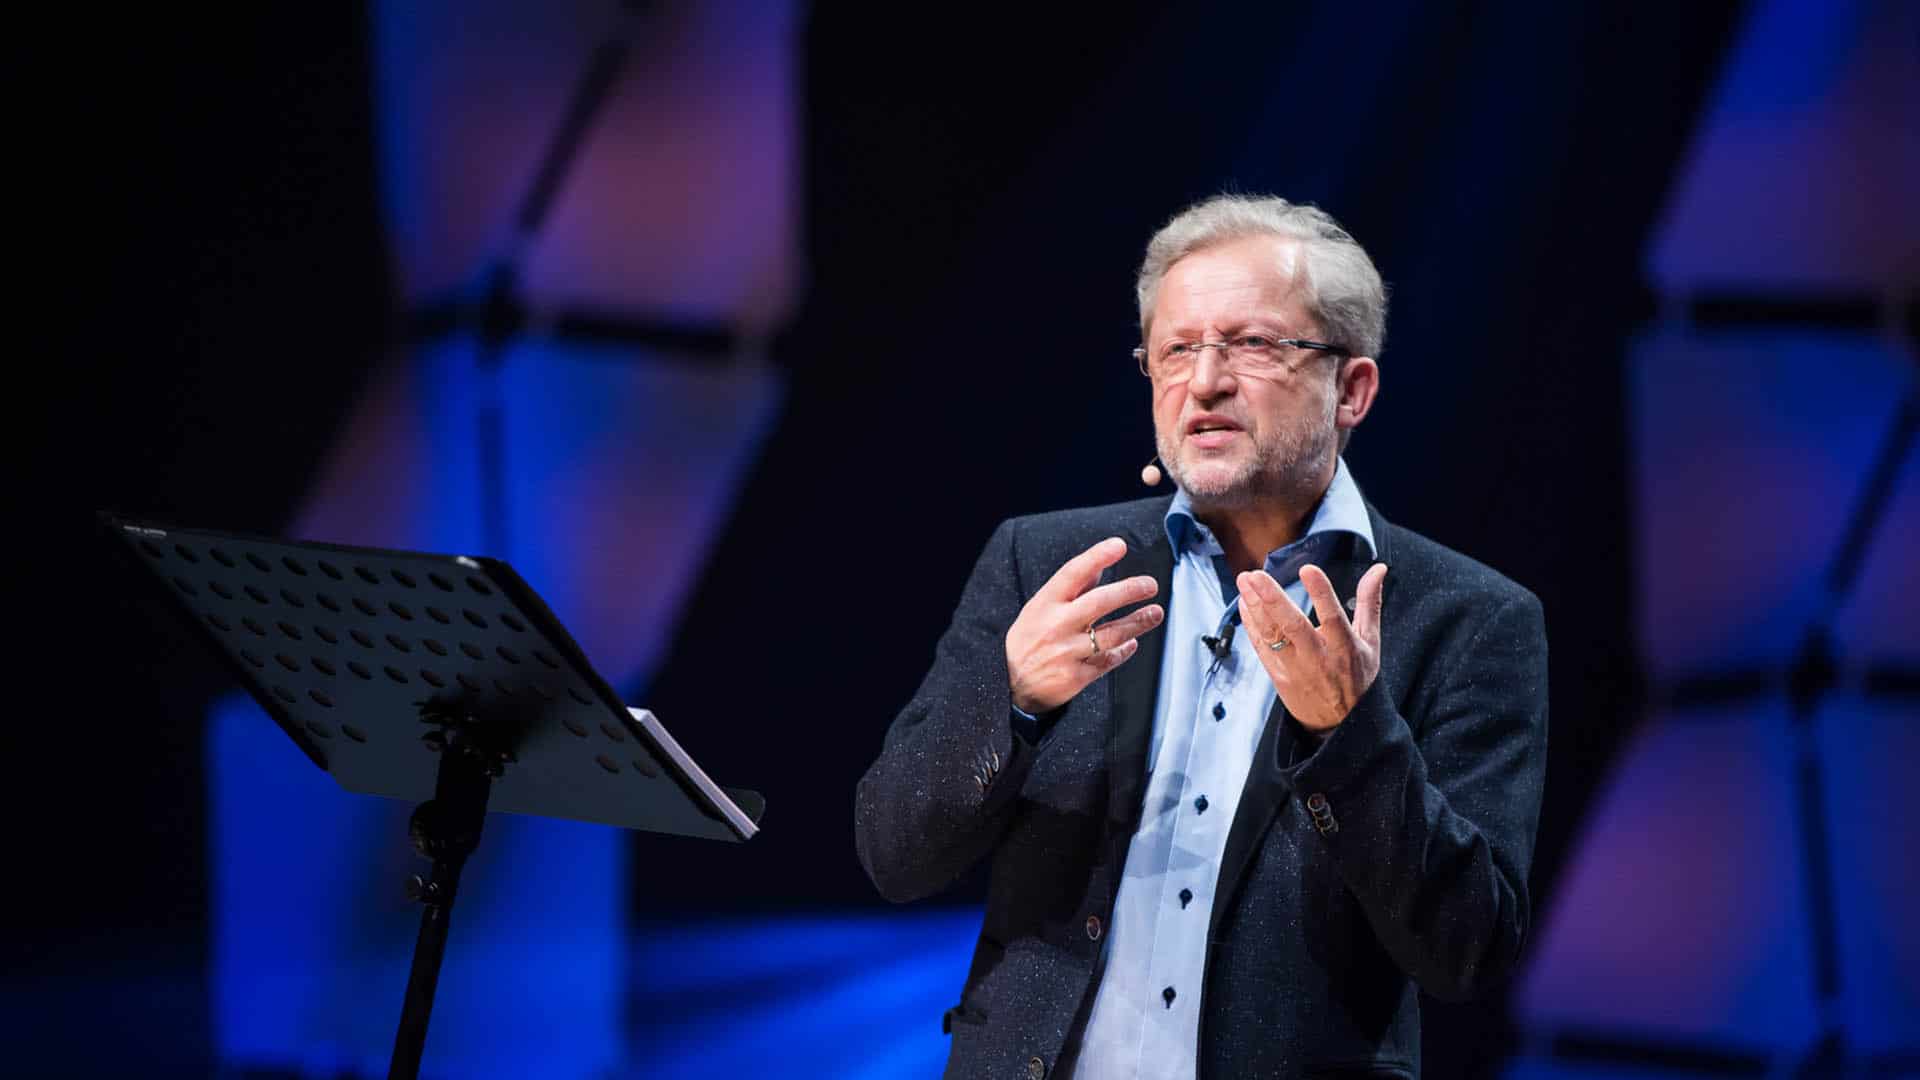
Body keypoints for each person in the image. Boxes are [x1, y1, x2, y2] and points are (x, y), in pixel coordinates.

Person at [853, 194, 1547, 1080]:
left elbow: (1468, 949)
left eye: (1253, 345)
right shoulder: (1052, 564)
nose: (1204, 381)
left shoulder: (1467, 618)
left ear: (1353, 390)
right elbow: (893, 855)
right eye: (1175, 350)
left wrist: (1350, 739)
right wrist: (1014, 704)